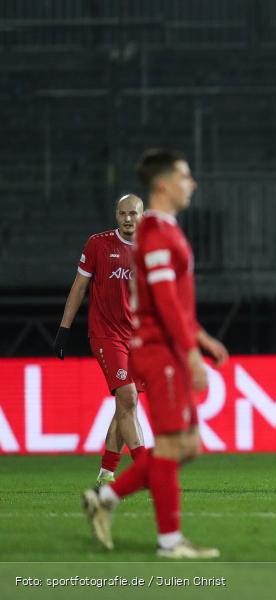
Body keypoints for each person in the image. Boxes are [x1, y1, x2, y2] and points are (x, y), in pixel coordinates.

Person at [82, 149, 229, 559]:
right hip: (161, 352)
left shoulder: (161, 230)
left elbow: (173, 301)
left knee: (188, 445)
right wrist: (191, 353)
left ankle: (105, 498)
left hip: (168, 347)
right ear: (163, 185)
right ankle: (169, 542)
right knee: (170, 447)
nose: (191, 184)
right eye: (184, 177)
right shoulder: (159, 234)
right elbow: (164, 301)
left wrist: (200, 337)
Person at [55, 194, 149, 486]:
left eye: (133, 213)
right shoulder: (98, 244)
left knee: (125, 406)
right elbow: (79, 286)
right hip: (106, 334)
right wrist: (64, 328)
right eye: (122, 213)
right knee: (128, 397)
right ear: (116, 215)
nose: (127, 218)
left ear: (143, 216)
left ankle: (106, 472)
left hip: (139, 338)